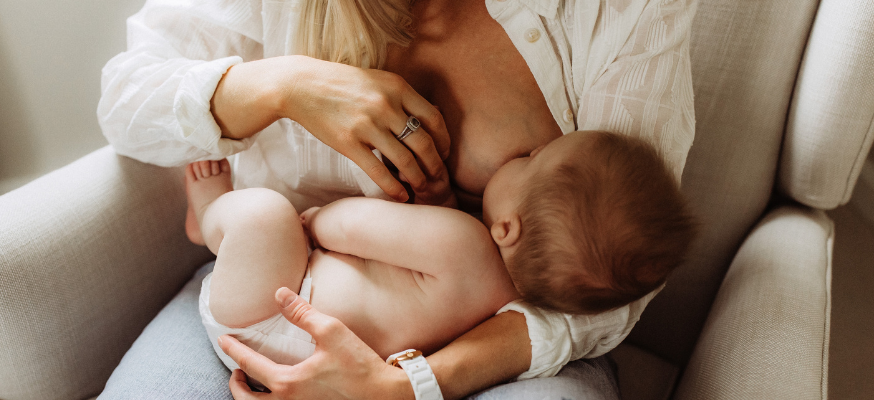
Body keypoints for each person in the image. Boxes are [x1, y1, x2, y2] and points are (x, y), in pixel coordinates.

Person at [97, 0, 698, 398]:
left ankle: (212, 215)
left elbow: (614, 280)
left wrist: (409, 385)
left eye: (531, 159)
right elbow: (124, 101)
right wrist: (283, 86)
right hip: (273, 285)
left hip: (494, 352)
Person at [185, 129, 695, 392]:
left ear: (507, 227)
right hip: (329, 378)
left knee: (265, 214)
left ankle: (207, 212)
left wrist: (315, 221)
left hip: (270, 316)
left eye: (534, 161)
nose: (531, 149)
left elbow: (353, 226)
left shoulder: (464, 242)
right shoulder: (507, 306)